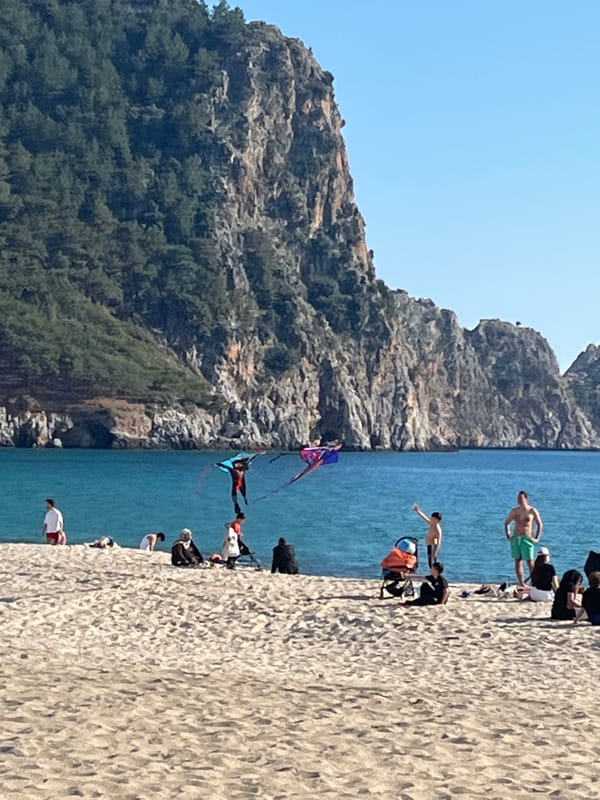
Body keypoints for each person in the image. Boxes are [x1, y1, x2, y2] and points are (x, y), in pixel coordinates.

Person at [504, 490, 543, 586]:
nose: (519, 500)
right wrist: (508, 535)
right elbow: (507, 523)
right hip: (517, 538)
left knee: (530, 562)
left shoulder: (532, 511)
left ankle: (535, 582)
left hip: (527, 538)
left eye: (521, 498)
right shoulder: (515, 511)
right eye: (518, 498)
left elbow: (539, 524)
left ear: (526, 498)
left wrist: (537, 538)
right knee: (518, 561)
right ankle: (521, 583)